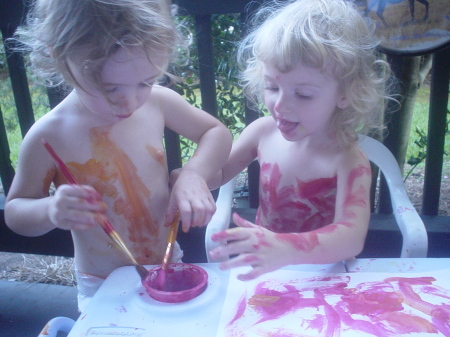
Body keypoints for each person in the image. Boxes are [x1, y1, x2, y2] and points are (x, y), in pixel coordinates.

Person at [5, 0, 231, 311]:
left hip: (167, 264)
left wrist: (193, 174)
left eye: (145, 82)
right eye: (111, 88)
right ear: (63, 60)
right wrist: (51, 210)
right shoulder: (49, 136)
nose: (130, 102)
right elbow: (16, 211)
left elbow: (216, 133)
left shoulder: (157, 103)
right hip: (102, 283)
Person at [205, 0, 392, 281]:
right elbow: (218, 173)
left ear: (345, 94)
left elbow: (351, 238)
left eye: (303, 94)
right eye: (271, 86)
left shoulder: (347, 159)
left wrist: (286, 248)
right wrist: (189, 178)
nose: (280, 105)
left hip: (325, 279)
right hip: (267, 274)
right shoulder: (262, 132)